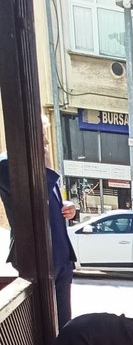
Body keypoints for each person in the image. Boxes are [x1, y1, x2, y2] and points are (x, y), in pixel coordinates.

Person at [0, 117, 77, 329]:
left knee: (64, 325)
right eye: (41, 139)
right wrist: (47, 165)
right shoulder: (7, 166)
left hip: (61, 258)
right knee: (44, 328)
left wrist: (69, 207)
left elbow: (51, 203)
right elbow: (35, 201)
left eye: (45, 140)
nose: (45, 145)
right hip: (37, 259)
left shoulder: (41, 163)